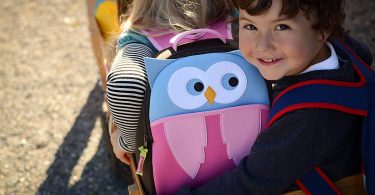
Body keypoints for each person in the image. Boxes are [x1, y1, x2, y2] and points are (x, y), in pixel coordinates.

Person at [176, 0, 373, 194]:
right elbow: (365, 55)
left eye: (281, 27)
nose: (262, 46)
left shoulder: (306, 119)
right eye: (251, 26)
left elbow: (252, 181)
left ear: (324, 28)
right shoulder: (342, 48)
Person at [106, 0, 233, 164]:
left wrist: (128, 143)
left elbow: (126, 87)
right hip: (249, 158)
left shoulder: (143, 42)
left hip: (175, 166)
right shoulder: (242, 25)